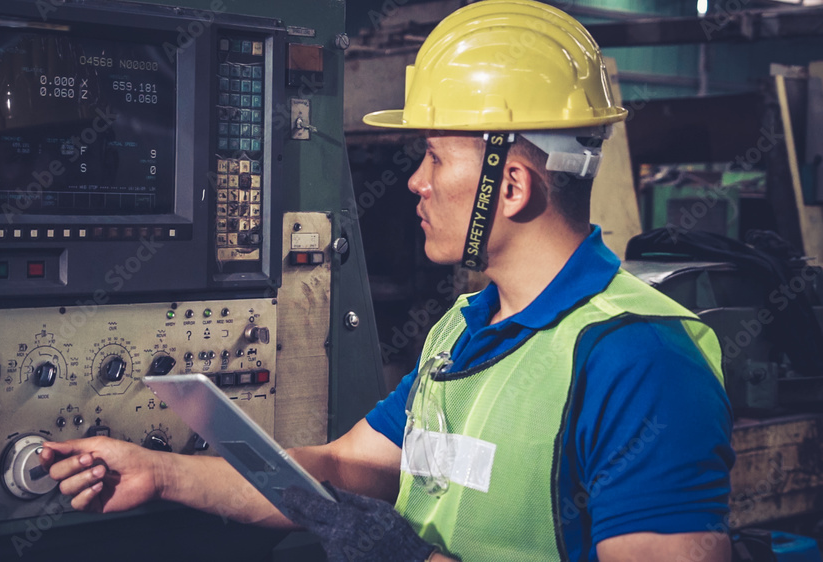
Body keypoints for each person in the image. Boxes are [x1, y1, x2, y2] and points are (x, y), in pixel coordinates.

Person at [41, 1, 734, 560]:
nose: (416, 182)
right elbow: (343, 466)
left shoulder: (640, 359)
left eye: (434, 157)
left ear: (512, 185)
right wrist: (161, 474)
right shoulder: (466, 329)